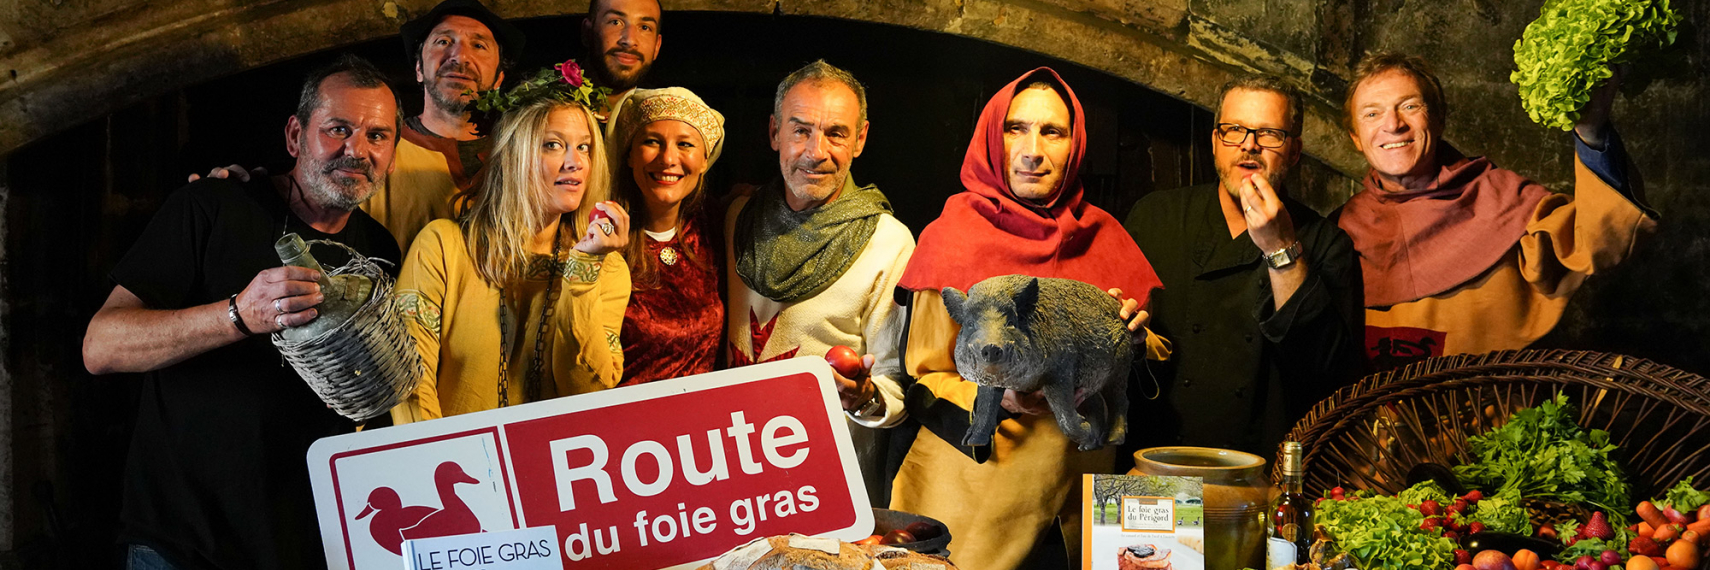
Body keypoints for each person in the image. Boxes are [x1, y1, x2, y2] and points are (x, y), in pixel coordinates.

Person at [81, 55, 404, 570]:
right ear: (295, 136)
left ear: (392, 152)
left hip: (307, 543)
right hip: (186, 543)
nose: (356, 150)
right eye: (338, 129)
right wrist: (236, 315)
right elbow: (100, 347)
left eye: (377, 136)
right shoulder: (212, 205)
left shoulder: (381, 249)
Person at [883, 68, 1162, 570]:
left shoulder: (1106, 235)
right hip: (975, 510)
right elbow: (922, 376)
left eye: (1052, 132)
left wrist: (1135, 343)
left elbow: (1148, 358)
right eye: (1016, 128)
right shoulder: (951, 238)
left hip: (1082, 509)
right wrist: (999, 398)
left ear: (1075, 144)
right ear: (993, 137)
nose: (1033, 149)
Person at [1334, 53, 1655, 370]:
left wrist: (1592, 132)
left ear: (1439, 118)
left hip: (1490, 414)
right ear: (1355, 139)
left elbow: (1600, 242)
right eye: (1372, 114)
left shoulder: (1504, 199)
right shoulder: (1339, 231)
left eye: (1409, 106)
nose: (1393, 124)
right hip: (1377, 420)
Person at [1122, 75, 1362, 456]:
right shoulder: (1155, 217)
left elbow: (1326, 374)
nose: (1249, 145)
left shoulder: (1327, 243)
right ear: (1215, 143)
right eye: (1233, 130)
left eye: (1269, 134)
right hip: (1154, 468)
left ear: (1295, 152)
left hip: (1258, 477)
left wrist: (1281, 247)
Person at [723, 60, 914, 505]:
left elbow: (897, 388)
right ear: (774, 133)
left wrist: (862, 397)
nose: (815, 151)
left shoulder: (889, 242)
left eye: (836, 133)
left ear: (861, 138)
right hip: (728, 471)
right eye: (800, 130)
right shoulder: (738, 218)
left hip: (825, 483)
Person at [389, 89, 631, 423]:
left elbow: (588, 393)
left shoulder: (606, 268)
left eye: (584, 147)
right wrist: (434, 460)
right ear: (513, 155)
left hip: (555, 462)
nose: (574, 161)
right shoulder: (444, 247)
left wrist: (583, 271)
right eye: (553, 144)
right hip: (455, 467)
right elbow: (410, 380)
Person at [365, 0, 526, 252]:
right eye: (443, 42)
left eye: (479, 45)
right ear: (419, 68)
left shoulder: (525, 152)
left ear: (499, 78)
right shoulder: (377, 151)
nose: (460, 56)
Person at [608, 87, 727, 385]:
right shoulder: (602, 236)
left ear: (704, 160)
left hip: (704, 425)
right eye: (651, 141)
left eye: (685, 144)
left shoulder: (717, 228)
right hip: (627, 425)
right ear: (630, 155)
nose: (668, 158)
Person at [583, 0, 663, 142]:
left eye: (644, 27)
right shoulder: (541, 108)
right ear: (587, 32)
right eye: (615, 22)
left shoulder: (664, 119)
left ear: (657, 46)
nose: (629, 40)